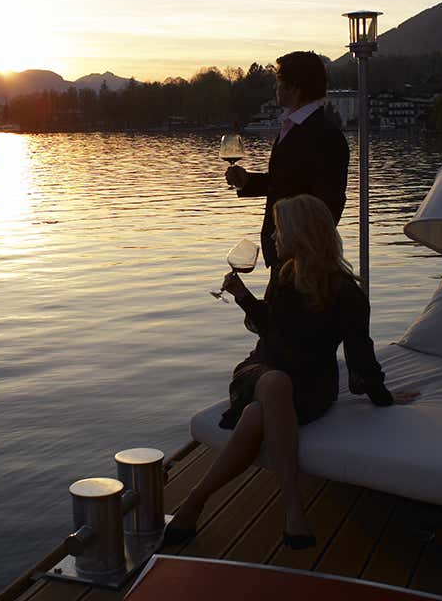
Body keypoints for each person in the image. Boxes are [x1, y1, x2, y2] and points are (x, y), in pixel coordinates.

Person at [166, 195, 416, 550]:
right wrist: (242, 296)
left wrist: (384, 396)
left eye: (280, 231)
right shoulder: (282, 278)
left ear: (302, 235)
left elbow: (361, 354)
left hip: (311, 388)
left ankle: (194, 500)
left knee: (258, 412)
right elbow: (269, 328)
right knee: (274, 382)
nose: (273, 239)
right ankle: (294, 512)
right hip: (260, 371)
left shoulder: (348, 294)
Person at [225, 51, 348, 268]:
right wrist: (248, 182)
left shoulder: (325, 135)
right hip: (281, 249)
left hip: (301, 257)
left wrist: (302, 250)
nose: (275, 88)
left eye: (279, 82)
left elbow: (330, 202)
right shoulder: (292, 127)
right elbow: (285, 182)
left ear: (294, 87)